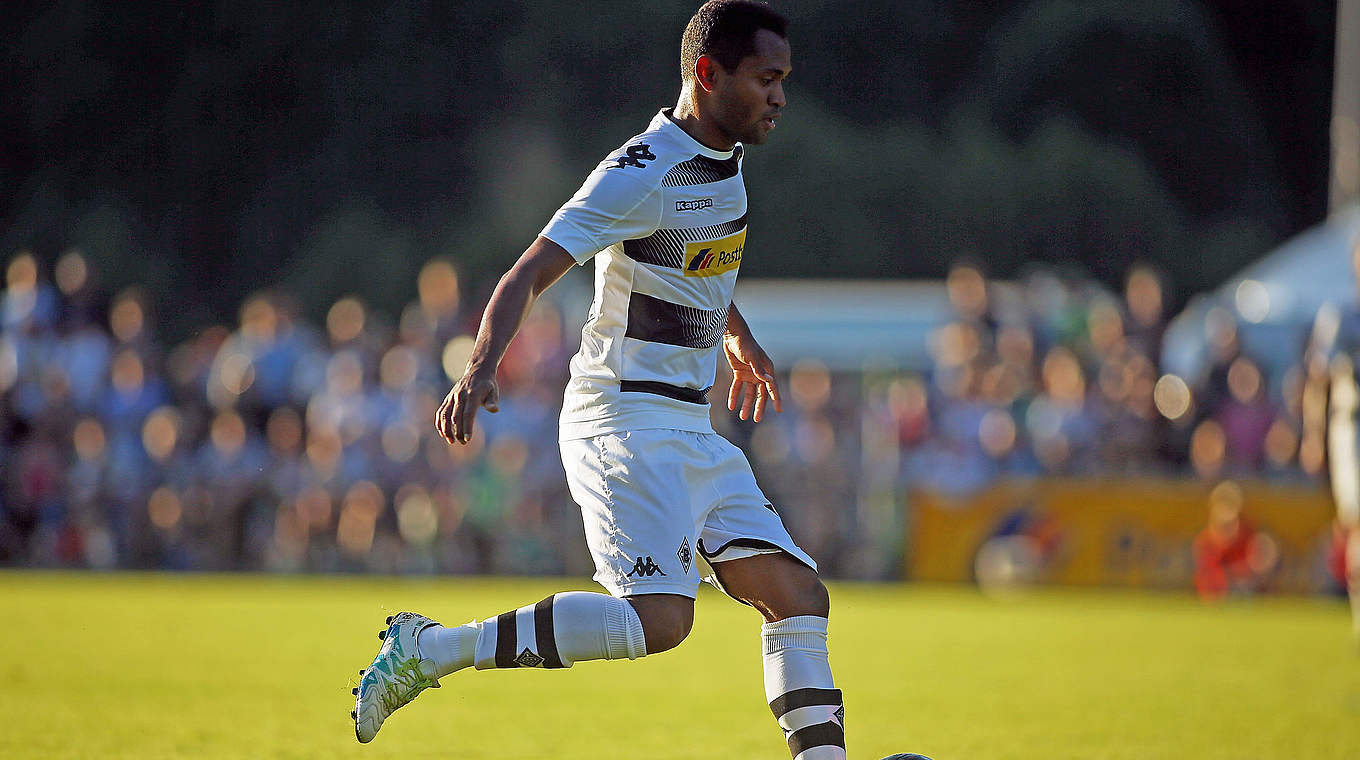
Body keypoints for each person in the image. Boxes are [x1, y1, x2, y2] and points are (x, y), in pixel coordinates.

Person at [350, 4, 877, 759]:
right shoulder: (640, 170)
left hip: (689, 428)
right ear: (708, 74)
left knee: (797, 596)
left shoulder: (726, 166)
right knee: (661, 622)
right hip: (619, 422)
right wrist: (478, 369)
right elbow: (531, 269)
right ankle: (429, 651)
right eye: (767, 79)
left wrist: (739, 336)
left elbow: (701, 266)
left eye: (783, 80)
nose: (780, 97)